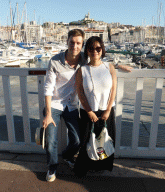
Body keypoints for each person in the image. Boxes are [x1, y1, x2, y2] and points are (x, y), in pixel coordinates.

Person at [42, 29, 86, 182]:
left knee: (77, 140)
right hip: (54, 105)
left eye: (78, 43)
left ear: (82, 44)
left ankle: (67, 156)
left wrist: (118, 67)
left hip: (72, 105)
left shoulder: (84, 61)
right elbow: (48, 87)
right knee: (51, 139)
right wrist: (47, 114)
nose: (75, 46)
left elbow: (100, 63)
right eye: (72, 42)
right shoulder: (55, 61)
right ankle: (52, 166)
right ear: (67, 42)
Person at [74, 36, 117, 177]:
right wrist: (89, 111)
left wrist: (108, 109)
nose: (95, 51)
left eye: (98, 48)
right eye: (91, 48)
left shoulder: (109, 67)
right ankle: (86, 166)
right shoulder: (82, 70)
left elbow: (113, 90)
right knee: (87, 141)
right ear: (87, 50)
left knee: (105, 140)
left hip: (106, 110)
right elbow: (80, 92)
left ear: (102, 49)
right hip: (89, 111)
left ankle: (102, 165)